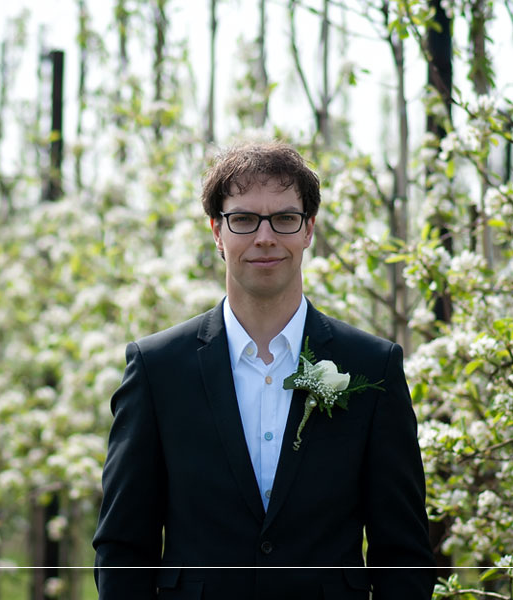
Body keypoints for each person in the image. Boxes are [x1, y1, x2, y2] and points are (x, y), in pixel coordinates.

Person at [92, 141, 435, 599]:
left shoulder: (374, 366)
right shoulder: (157, 369)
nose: (265, 237)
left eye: (285, 218)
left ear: (308, 229)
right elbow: (122, 547)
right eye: (244, 219)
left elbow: (403, 555)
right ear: (217, 231)